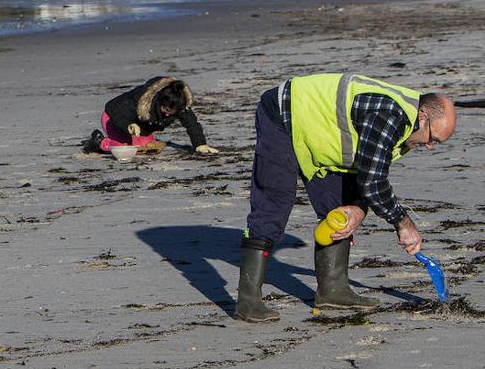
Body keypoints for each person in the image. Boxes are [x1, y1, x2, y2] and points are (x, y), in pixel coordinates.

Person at [235, 74, 456, 322]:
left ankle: (333, 290)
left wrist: (358, 207)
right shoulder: (390, 116)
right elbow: (373, 183)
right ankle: (248, 300)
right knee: (274, 205)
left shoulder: (407, 124)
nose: (429, 146)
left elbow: (368, 173)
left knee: (340, 208)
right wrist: (404, 225)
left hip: (320, 133)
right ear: (423, 116)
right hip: (283, 114)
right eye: (432, 139)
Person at [84, 77, 218, 155]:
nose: (167, 114)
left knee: (147, 148)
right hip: (113, 118)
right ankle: (98, 141)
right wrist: (128, 126)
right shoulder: (141, 98)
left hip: (141, 128)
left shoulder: (179, 103)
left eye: (172, 112)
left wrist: (200, 144)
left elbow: (192, 124)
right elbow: (118, 115)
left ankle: (134, 139)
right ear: (160, 101)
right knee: (124, 149)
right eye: (165, 109)